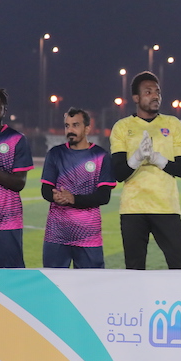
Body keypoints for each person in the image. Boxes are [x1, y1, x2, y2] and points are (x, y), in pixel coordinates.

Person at [110, 71, 181, 270]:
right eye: (148, 92)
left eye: (157, 92)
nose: (155, 96)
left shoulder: (173, 124)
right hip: (133, 208)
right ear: (136, 98)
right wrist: (137, 158)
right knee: (134, 269)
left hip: (166, 207)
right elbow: (118, 174)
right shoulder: (122, 127)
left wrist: (158, 159)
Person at [41, 108, 116, 268]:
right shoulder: (55, 153)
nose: (70, 130)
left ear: (87, 128)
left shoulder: (101, 156)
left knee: (90, 283)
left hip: (89, 236)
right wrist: (55, 196)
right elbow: (46, 189)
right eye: (67, 125)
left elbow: (104, 196)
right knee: (54, 281)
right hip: (56, 234)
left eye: (75, 125)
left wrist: (73, 199)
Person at [0, 88, 33, 268]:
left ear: (4, 110)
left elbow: (19, 183)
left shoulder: (16, 139)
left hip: (7, 222)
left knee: (12, 276)